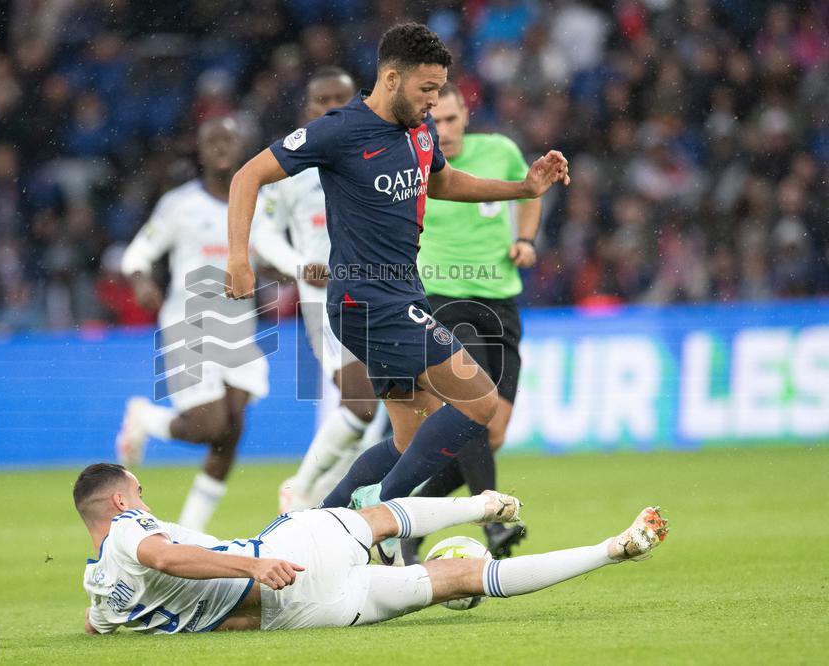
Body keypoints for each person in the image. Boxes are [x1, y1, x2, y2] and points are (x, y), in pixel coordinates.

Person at [225, 23, 569, 563]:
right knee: (478, 401)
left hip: (401, 296)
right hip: (367, 301)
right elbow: (247, 176)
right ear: (390, 77)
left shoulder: (419, 131)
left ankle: (310, 539)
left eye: (440, 91)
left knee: (412, 437)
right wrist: (239, 259)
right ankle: (376, 520)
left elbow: (443, 182)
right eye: (427, 89)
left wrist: (522, 189)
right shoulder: (339, 130)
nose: (434, 101)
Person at [75, 462, 669, 634]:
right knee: (376, 519)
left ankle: (611, 549)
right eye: (140, 493)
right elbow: (168, 557)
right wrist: (255, 561)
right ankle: (482, 504)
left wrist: (98, 617)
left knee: (458, 579)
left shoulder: (103, 593)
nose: (147, 503)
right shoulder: (133, 530)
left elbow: (97, 617)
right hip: (283, 559)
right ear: (121, 505)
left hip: (303, 616)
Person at [403, 82, 541, 563]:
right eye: (433, 122)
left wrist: (525, 239)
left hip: (500, 302)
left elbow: (530, 193)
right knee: (473, 410)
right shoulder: (412, 161)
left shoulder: (499, 150)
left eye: (450, 120)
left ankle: (411, 523)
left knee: (491, 431)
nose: (441, 131)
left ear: (466, 115)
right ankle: (494, 523)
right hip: (443, 301)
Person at [115, 117, 270, 532]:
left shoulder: (259, 199)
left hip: (240, 328)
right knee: (210, 425)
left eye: (228, 139)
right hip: (190, 325)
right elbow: (136, 255)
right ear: (199, 152)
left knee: (231, 431)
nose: (221, 147)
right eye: (212, 140)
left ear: (242, 147)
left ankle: (190, 533)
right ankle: (145, 417)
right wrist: (143, 281)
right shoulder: (179, 204)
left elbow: (271, 251)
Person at [252, 66, 384, 512]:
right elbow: (261, 233)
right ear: (306, 108)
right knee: (362, 401)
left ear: (356, 102)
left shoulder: (375, 152)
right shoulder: (290, 163)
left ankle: (328, 503)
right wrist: (299, 266)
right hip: (325, 298)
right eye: (320, 100)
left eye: (338, 99)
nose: (329, 108)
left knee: (375, 408)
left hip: (380, 289)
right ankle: (303, 487)